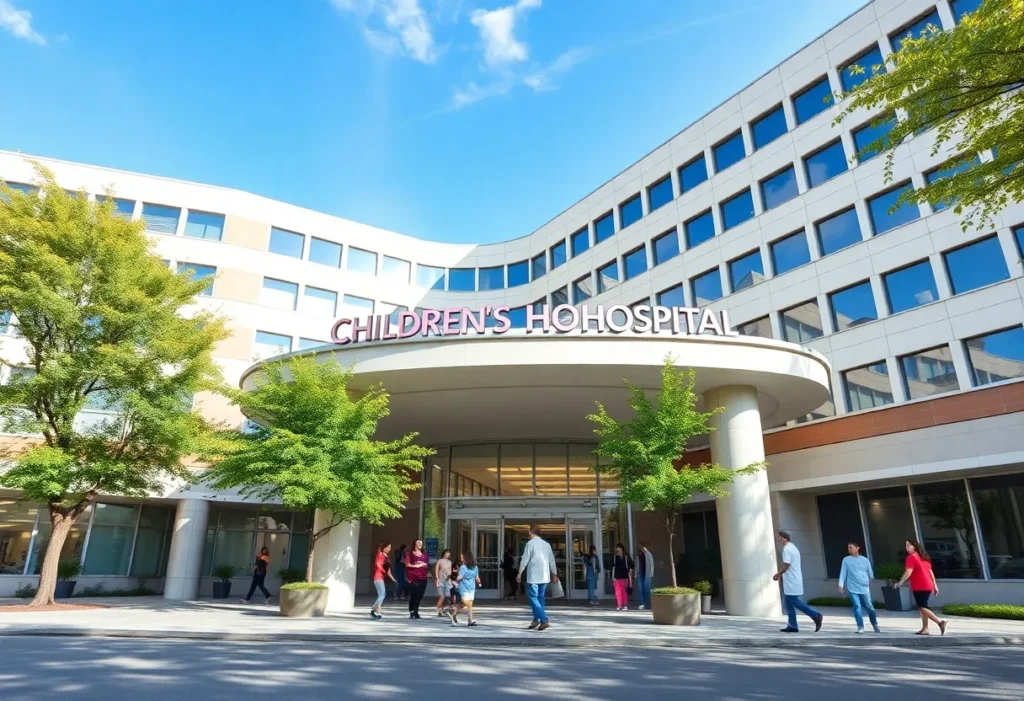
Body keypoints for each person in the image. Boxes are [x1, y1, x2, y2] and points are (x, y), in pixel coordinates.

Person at [773, 531, 823, 633]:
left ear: (785, 538)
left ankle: (815, 615)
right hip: (792, 579)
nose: (778, 540)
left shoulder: (787, 549)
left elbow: (786, 565)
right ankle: (792, 626)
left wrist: (778, 574)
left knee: (794, 601)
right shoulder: (793, 548)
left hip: (792, 579)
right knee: (788, 603)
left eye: (780, 538)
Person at [896, 539, 947, 636]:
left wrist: (900, 582)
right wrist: (934, 584)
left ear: (915, 546)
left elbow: (908, 572)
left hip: (920, 585)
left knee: (922, 607)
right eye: (906, 546)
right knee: (923, 606)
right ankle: (925, 629)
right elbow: (930, 572)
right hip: (927, 584)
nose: (907, 548)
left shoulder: (911, 557)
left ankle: (940, 622)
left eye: (909, 545)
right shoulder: (924, 557)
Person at [517, 524, 558, 631]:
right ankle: (536, 619)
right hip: (544, 575)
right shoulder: (546, 545)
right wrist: (554, 573)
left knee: (533, 597)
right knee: (540, 598)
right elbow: (551, 560)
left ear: (532, 532)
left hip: (533, 576)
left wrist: (520, 572)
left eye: (529, 532)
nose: (528, 534)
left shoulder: (530, 544)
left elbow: (525, 559)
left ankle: (544, 620)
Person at [838, 541, 880, 633]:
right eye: (848, 547)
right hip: (852, 587)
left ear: (857, 548)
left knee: (869, 607)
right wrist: (841, 584)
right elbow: (843, 572)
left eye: (851, 547)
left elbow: (870, 572)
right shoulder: (846, 560)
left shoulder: (865, 560)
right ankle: (860, 626)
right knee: (857, 606)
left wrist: (870, 581)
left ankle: (875, 624)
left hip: (864, 587)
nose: (849, 549)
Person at [454, 551, 482, 627]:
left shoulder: (475, 567)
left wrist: (479, 583)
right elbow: (459, 577)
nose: (461, 559)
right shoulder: (463, 567)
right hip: (463, 588)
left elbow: (476, 577)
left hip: (471, 588)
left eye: (462, 558)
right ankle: (470, 621)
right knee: (468, 604)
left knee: (465, 604)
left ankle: (454, 614)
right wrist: (455, 583)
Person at [404, 539, 430, 619]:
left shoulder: (425, 554)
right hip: (413, 578)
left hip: (423, 577)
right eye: (418, 543)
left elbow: (427, 564)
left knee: (420, 595)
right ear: (414, 544)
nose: (420, 544)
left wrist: (424, 565)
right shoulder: (410, 554)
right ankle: (412, 611)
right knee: (414, 595)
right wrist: (416, 565)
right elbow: (407, 564)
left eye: (421, 543)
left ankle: (416, 610)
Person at [371, 541, 397, 619]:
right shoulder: (380, 555)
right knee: (382, 594)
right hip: (378, 577)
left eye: (390, 548)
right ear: (384, 547)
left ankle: (378, 613)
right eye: (388, 547)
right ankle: (373, 609)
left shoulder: (386, 557)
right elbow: (378, 564)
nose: (389, 549)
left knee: (381, 595)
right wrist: (383, 570)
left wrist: (393, 579)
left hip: (381, 577)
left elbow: (389, 571)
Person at [611, 544, 632, 611]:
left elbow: (632, 564)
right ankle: (619, 605)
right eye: (617, 548)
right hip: (617, 576)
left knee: (624, 591)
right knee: (617, 592)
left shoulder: (626, 557)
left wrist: (630, 572)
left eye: (619, 548)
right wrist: (613, 576)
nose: (618, 550)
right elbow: (613, 567)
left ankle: (625, 605)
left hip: (624, 576)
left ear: (622, 549)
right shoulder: (615, 557)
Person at [635, 541, 654, 610]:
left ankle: (648, 603)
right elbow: (636, 565)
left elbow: (651, 564)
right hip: (640, 573)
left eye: (640, 546)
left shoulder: (648, 554)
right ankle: (642, 603)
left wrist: (651, 572)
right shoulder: (638, 555)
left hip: (647, 573)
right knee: (640, 589)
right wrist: (636, 573)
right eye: (638, 546)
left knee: (647, 589)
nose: (639, 547)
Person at [434, 548, 453, 616]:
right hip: (440, 579)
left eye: (449, 554)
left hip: (447, 580)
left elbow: (450, 571)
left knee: (446, 596)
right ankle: (438, 609)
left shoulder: (450, 562)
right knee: (441, 596)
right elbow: (436, 569)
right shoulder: (440, 560)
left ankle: (441, 610)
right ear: (444, 553)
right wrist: (437, 578)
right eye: (447, 553)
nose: (448, 555)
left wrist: (449, 576)